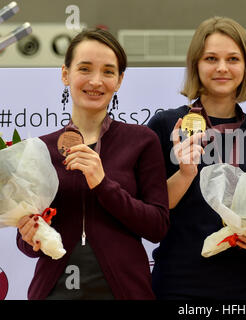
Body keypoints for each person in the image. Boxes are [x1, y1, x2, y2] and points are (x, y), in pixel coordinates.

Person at [16, 29, 170, 300]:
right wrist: (28, 236)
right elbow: (28, 245)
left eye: (108, 72)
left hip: (126, 291)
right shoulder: (39, 149)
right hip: (54, 291)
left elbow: (157, 227)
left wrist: (103, 184)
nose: (96, 81)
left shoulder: (142, 141)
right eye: (85, 69)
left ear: (119, 80)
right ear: (66, 74)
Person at [147, 16, 246, 299]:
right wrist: (185, 173)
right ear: (196, 64)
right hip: (180, 282)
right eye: (211, 58)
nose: (222, 68)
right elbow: (151, 212)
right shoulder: (166, 125)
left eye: (233, 59)